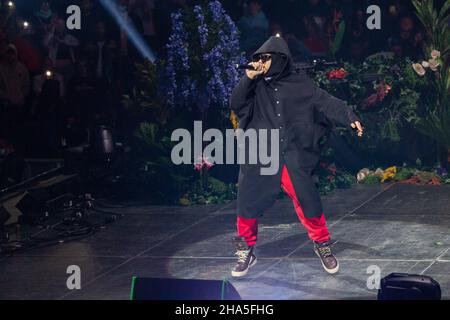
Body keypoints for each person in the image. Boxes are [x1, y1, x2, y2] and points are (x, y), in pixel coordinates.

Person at [230, 36, 363, 277]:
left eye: (265, 58)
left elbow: (327, 103)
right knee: (247, 197)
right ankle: (246, 251)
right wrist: (248, 78)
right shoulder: (255, 86)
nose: (260, 62)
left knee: (307, 197)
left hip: (292, 154)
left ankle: (322, 243)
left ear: (280, 59)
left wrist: (349, 117)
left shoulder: (302, 85)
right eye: (258, 58)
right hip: (262, 153)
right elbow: (236, 103)